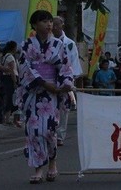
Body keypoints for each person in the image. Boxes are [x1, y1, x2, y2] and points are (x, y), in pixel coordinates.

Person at [16, 9, 74, 183]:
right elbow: (24, 68)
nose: (49, 24)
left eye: (50, 21)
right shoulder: (26, 45)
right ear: (34, 25)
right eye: (44, 21)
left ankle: (52, 163)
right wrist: (42, 82)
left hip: (53, 94)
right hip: (35, 92)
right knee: (34, 131)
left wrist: (64, 85)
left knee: (49, 130)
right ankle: (38, 168)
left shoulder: (59, 44)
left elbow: (65, 66)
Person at [51, 16, 81, 147]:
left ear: (62, 25)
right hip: (51, 78)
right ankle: (51, 133)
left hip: (65, 78)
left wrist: (71, 79)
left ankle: (60, 135)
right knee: (51, 106)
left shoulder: (69, 43)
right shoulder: (49, 41)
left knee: (63, 108)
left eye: (57, 25)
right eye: (53, 25)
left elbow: (74, 61)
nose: (55, 27)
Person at [0, 41, 19, 126]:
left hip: (5, 78)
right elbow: (12, 71)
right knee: (10, 98)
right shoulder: (10, 57)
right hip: (10, 79)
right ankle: (7, 119)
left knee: (8, 98)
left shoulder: (5, 56)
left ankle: (6, 118)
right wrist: (15, 81)